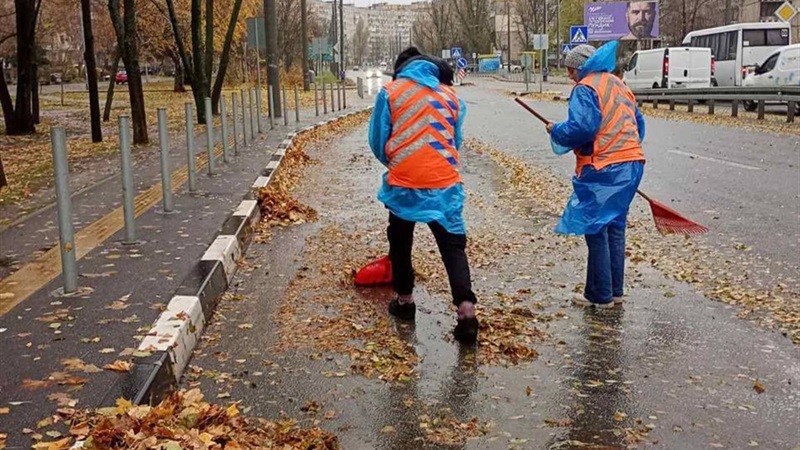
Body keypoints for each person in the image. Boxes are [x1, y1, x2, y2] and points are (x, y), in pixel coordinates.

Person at [368, 47, 479, 343]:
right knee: (452, 246)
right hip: (444, 184)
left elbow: (378, 139)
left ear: (401, 68)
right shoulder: (451, 96)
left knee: (401, 241)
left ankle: (405, 303)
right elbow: (455, 140)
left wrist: (397, 162)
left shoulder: (390, 93)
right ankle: (466, 313)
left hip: (404, 183)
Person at [545, 42, 646, 309]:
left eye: (570, 69)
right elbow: (639, 124)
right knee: (615, 228)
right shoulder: (618, 84)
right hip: (632, 163)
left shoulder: (586, 87)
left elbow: (583, 128)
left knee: (596, 228)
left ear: (580, 67)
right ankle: (614, 291)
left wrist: (557, 130)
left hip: (604, 167)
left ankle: (599, 296)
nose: (569, 75)